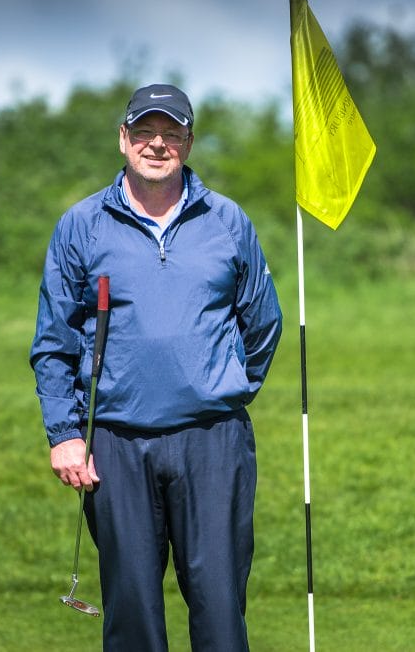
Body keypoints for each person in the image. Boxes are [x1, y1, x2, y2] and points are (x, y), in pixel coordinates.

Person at [30, 83, 283, 651]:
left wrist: (226, 384)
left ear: (189, 143)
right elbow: (54, 340)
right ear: (123, 138)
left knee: (220, 607)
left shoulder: (227, 220)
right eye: (145, 131)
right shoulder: (82, 225)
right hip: (115, 443)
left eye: (171, 133)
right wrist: (65, 433)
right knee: (133, 611)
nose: (157, 144)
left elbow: (263, 323)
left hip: (213, 441)